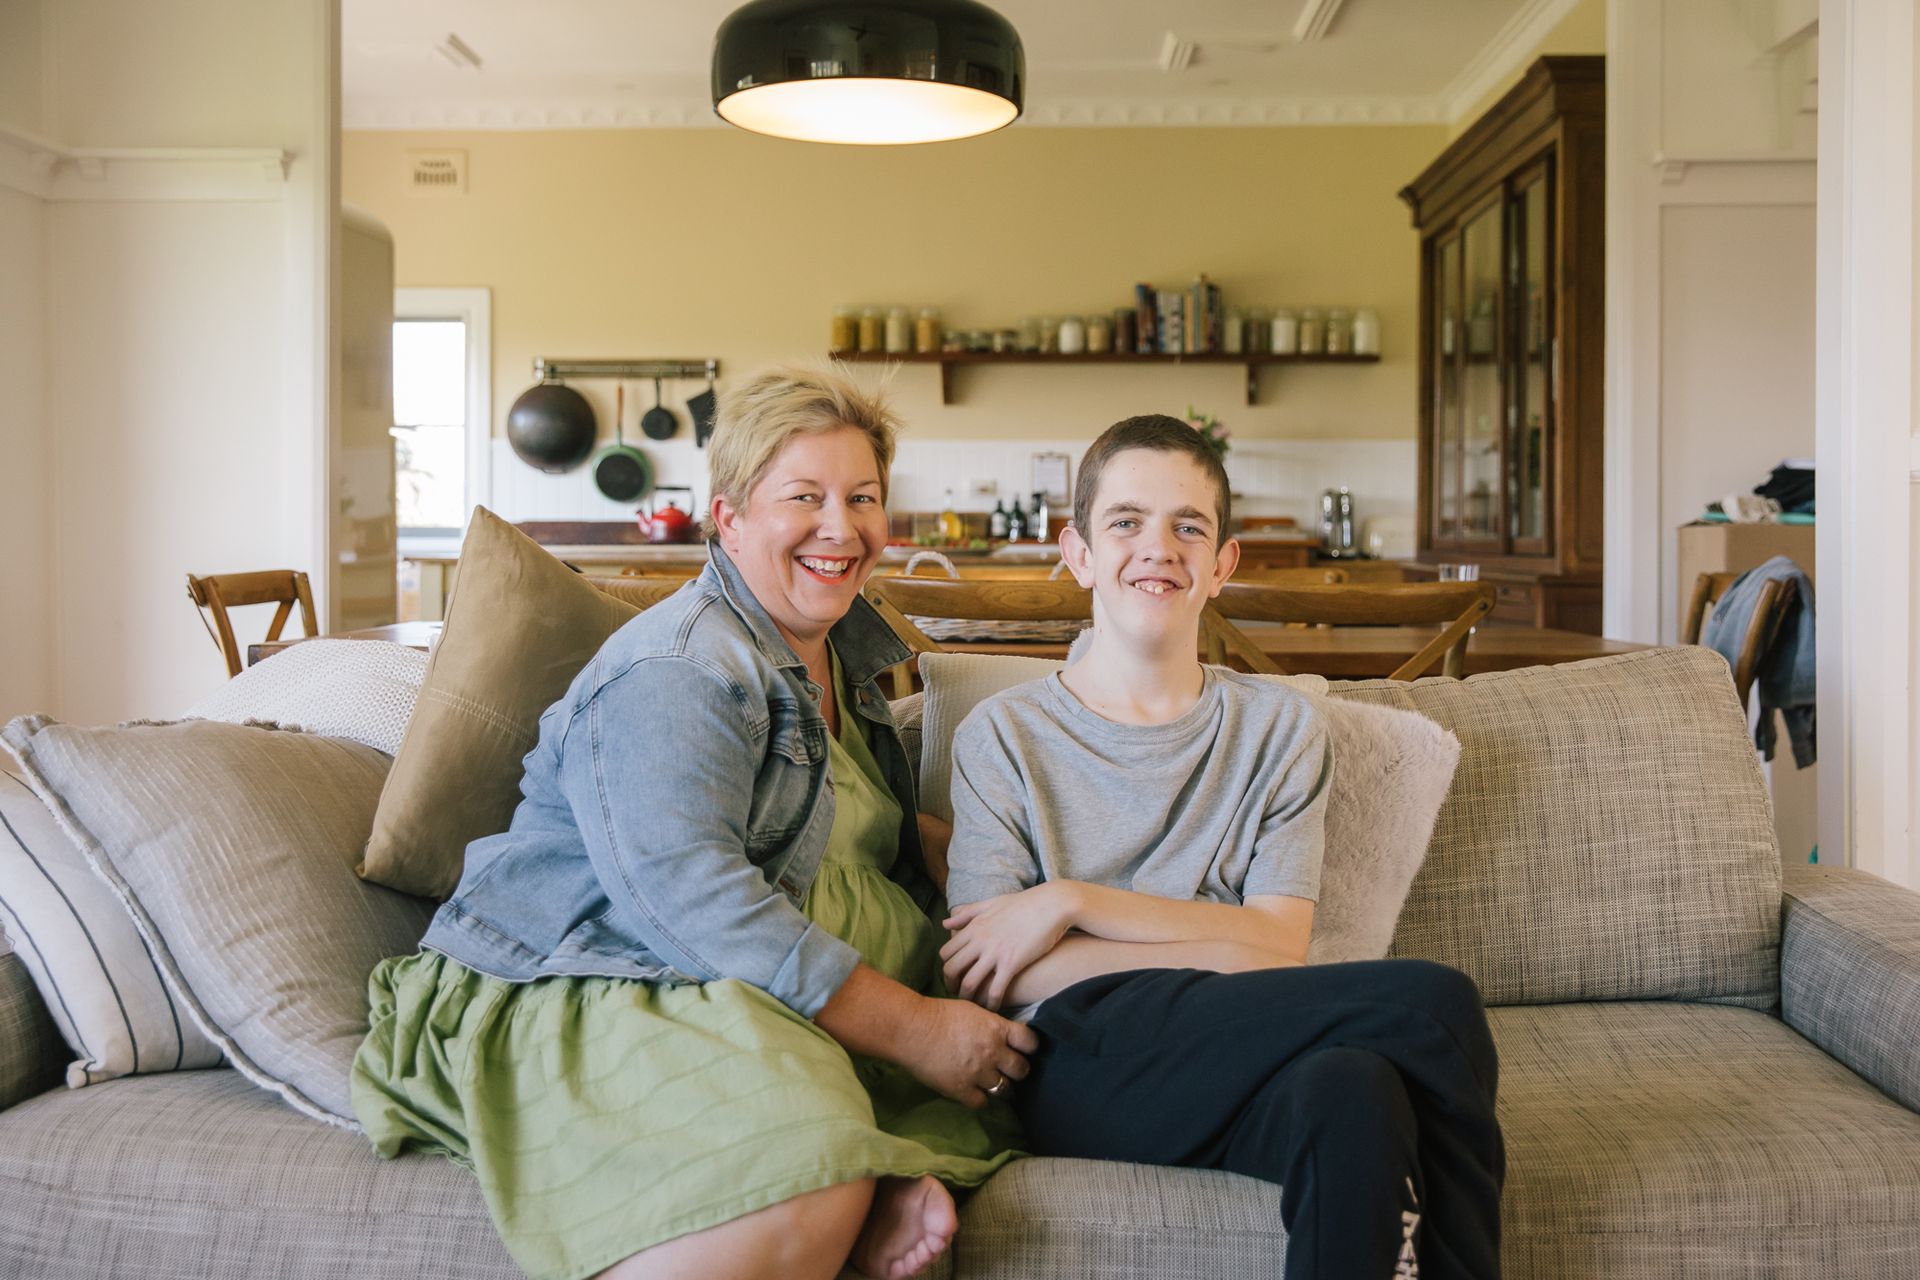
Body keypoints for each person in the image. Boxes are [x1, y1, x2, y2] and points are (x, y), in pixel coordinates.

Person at [351, 365, 1034, 1280]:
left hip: (737, 975)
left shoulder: (843, 652)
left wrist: (1024, 878)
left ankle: (866, 1183)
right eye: (805, 496)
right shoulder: (678, 667)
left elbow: (859, 831)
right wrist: (914, 1029)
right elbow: (689, 899)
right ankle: (840, 1191)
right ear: (731, 516)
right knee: (792, 1175)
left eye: (862, 497)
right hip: (608, 969)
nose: (843, 526)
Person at [941, 414, 1505, 1279]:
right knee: (1435, 1008)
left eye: (1188, 525)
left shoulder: (1279, 728)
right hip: (1075, 1063)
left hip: (1238, 1044)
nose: (1157, 546)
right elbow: (999, 973)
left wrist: (1070, 902)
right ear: (1080, 553)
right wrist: (1213, 942)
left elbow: (1281, 942)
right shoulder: (1004, 735)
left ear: (1222, 564)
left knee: (1355, 1088)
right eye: (1125, 521)